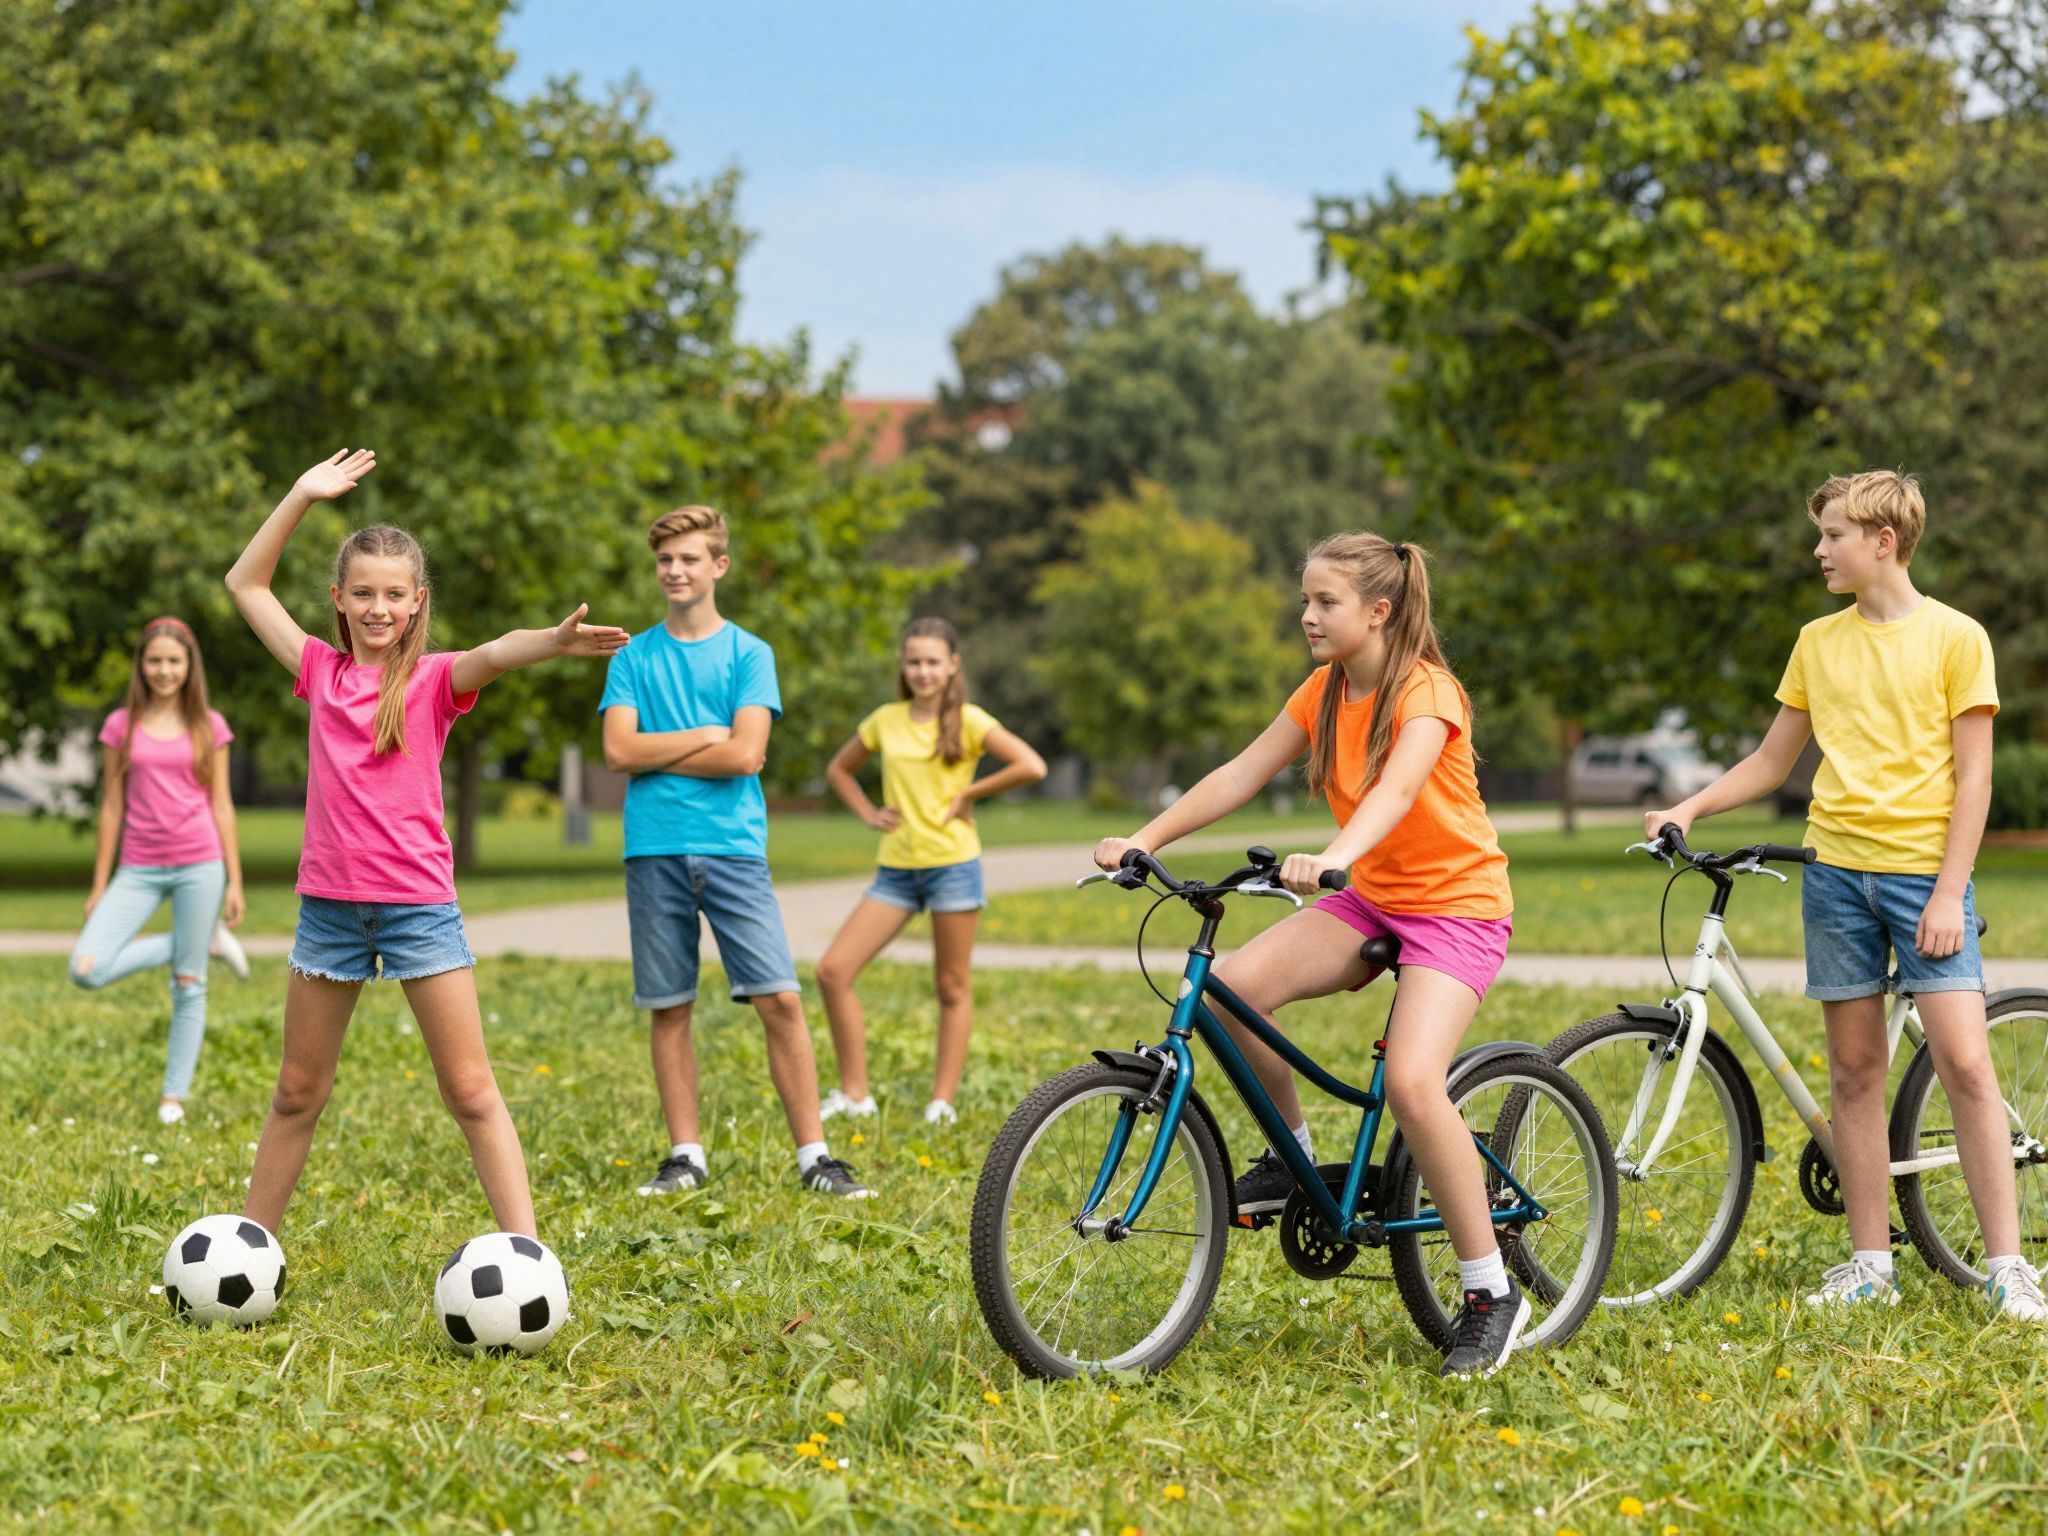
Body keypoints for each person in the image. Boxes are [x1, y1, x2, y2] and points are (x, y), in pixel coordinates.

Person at [1094, 532, 1524, 1377]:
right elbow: (1239, 773)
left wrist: (1335, 856)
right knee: (1229, 990)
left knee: (1409, 1081)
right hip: (1374, 897)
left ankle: (1489, 1292)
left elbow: (1398, 790)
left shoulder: (1427, 693)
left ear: (1378, 610)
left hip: (1457, 909)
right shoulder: (1325, 690)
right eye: (1305, 600)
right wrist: (1143, 838)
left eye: (1324, 602)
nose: (1307, 616)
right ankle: (1287, 1159)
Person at [1647, 469, 2042, 1319]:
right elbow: (1769, 763)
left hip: (1922, 879)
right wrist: (1689, 805)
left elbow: (1975, 780)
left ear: (1882, 542)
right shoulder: (1816, 642)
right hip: (1835, 878)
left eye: (1832, 535)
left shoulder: (1956, 638)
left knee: (1967, 1065)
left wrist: (1948, 893)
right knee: (1857, 1076)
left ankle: (2009, 1268)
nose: (1819, 550)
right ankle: (1871, 1264)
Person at [225, 448, 627, 1239]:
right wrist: (301, 494)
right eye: (364, 593)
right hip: (330, 914)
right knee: (297, 1093)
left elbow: (495, 651)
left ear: (417, 603)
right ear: (339, 599)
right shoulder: (319, 671)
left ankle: (528, 1253)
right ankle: (248, 1250)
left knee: (472, 1091)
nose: (379, 608)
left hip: (418, 911)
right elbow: (245, 584)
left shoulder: (435, 680)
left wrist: (548, 641)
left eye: (394, 595)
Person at [601, 505, 870, 1199]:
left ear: (718, 566)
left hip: (733, 850)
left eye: (689, 559)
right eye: (665, 560)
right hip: (653, 849)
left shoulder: (751, 653)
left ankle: (815, 1158)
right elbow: (618, 750)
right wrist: (705, 735)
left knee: (780, 1000)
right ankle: (685, 1157)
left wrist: (668, 749)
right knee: (671, 1006)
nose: (674, 570)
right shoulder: (633, 656)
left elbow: (748, 755)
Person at [816, 618, 1046, 1125]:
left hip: (952, 867)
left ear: (952, 665)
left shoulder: (968, 720)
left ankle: (941, 1103)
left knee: (951, 987)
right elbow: (839, 770)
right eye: (914, 661)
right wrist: (868, 812)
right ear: (903, 665)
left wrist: (969, 792)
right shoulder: (885, 719)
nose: (922, 671)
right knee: (833, 972)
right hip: (896, 869)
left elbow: (1032, 765)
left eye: (932, 662)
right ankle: (855, 1094)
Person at [70, 616, 249, 1124]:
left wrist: (234, 879)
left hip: (200, 862)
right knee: (86, 968)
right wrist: (99, 884)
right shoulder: (119, 726)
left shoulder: (209, 725)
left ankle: (173, 1098)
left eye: (174, 661)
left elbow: (222, 805)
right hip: (139, 866)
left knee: (188, 982)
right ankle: (201, 943)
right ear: (141, 665)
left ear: (189, 665)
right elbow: (111, 807)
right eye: (155, 661)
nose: (164, 670)